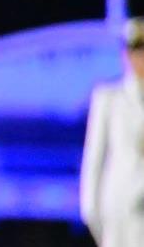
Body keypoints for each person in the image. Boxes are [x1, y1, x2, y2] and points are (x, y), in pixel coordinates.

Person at [80, 16, 144, 247]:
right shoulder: (109, 98)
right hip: (119, 208)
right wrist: (90, 208)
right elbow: (94, 156)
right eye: (136, 51)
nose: (140, 59)